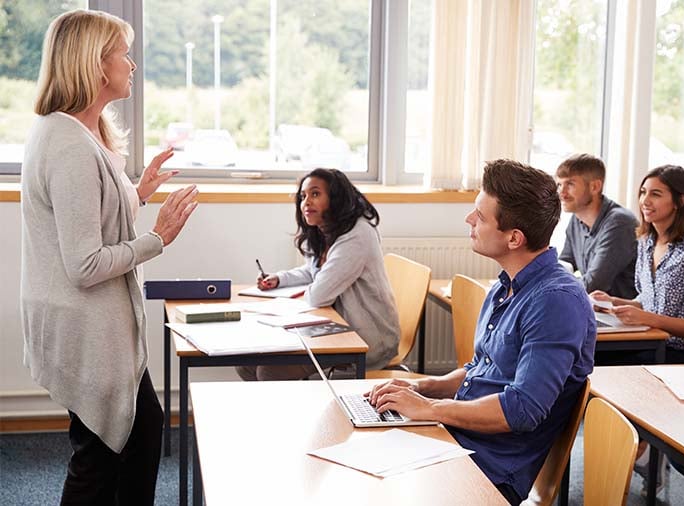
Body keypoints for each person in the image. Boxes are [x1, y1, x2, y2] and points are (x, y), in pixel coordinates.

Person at [20, 10, 199, 505]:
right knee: (102, 456)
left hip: (96, 322)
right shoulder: (70, 144)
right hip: (85, 323)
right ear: (96, 64)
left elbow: (86, 217)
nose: (132, 64)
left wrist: (136, 194)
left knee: (138, 437)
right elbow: (84, 265)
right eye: (124, 52)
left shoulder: (78, 133)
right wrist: (158, 237)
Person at [367, 159, 596, 505]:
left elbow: (522, 409)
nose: (469, 220)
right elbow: (480, 371)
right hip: (457, 440)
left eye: (480, 216)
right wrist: (420, 387)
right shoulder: (505, 287)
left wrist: (431, 408)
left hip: (490, 470)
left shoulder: (556, 302)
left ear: (514, 238)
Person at [237, 168, 400, 380]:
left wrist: (307, 290)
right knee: (246, 364)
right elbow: (313, 271)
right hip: (336, 328)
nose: (306, 202)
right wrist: (279, 279)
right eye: (303, 196)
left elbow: (318, 295)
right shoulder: (328, 229)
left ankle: (294, 414)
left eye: (315, 194)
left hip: (367, 338)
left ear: (336, 198)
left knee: (270, 371)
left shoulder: (356, 235)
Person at [592, 165, 684, 364]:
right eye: (643, 192)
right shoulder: (647, 241)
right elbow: (648, 301)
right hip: (653, 344)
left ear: (680, 201)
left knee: (596, 360)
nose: (645, 200)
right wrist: (614, 302)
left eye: (656, 194)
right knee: (585, 355)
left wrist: (647, 318)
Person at [556, 153, 638, 298]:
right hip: (596, 311)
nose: (561, 192)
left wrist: (552, 289)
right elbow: (564, 266)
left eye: (570, 184)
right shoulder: (576, 218)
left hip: (619, 316)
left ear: (595, 186)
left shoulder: (619, 223)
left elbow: (593, 285)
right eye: (559, 184)